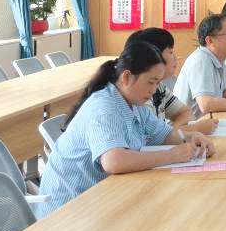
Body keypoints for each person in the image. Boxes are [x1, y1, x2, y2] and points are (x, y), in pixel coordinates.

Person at [37, 42, 214, 217]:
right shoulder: (104, 107)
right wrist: (171, 155)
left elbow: (164, 135)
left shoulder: (134, 103)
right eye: (151, 82)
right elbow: (113, 161)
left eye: (157, 83)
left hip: (102, 199)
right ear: (127, 77)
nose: (154, 90)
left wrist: (190, 137)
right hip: (68, 211)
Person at [123, 27, 216, 135]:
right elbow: (150, 137)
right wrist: (195, 128)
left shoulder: (159, 87)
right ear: (154, 55)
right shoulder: (138, 93)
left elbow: (185, 113)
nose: (175, 58)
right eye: (171, 52)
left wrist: (172, 131)